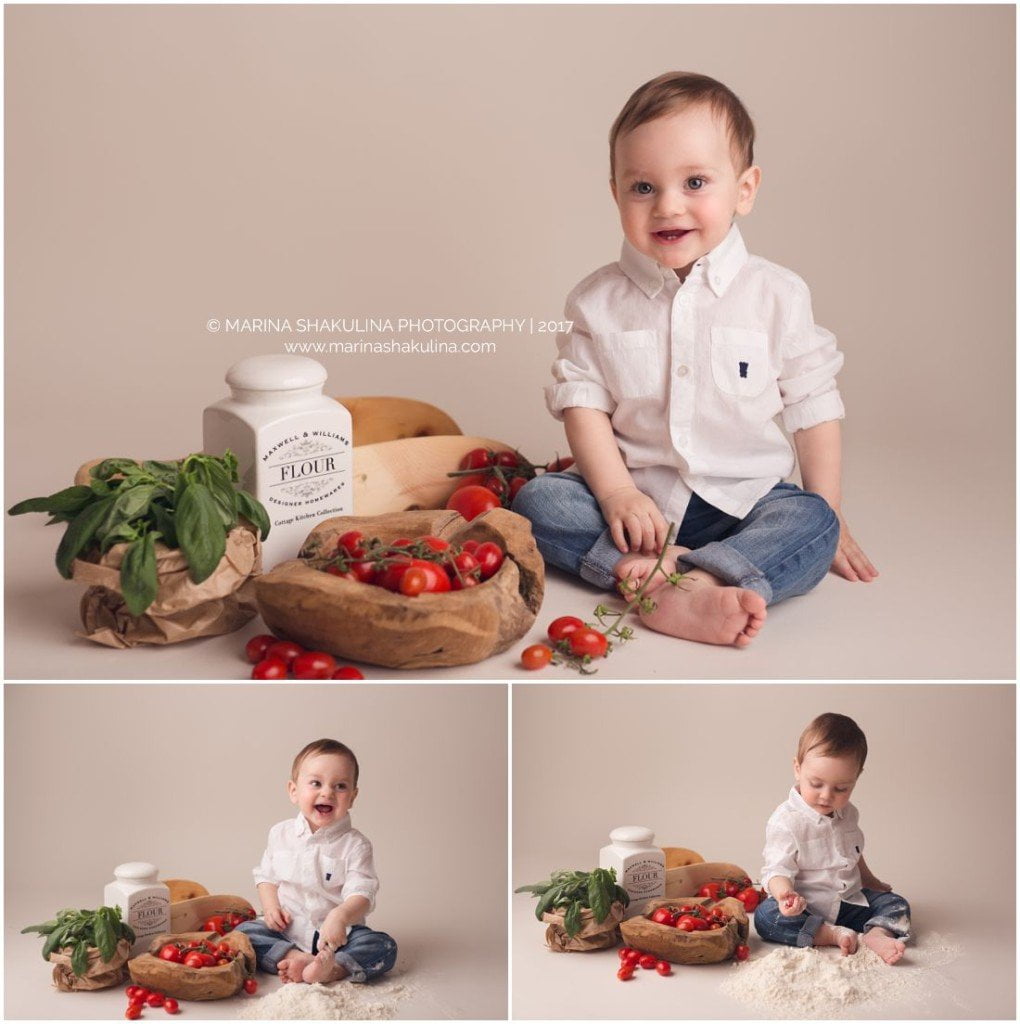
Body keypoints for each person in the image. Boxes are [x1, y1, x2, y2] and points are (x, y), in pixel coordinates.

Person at [512, 71, 877, 648]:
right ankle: (658, 577)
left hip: (743, 502)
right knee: (538, 501)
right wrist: (616, 495)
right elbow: (582, 402)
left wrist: (827, 514)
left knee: (811, 522)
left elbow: (812, 405)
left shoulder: (776, 294)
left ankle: (699, 577)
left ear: (745, 189)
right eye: (643, 188)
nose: (668, 206)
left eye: (696, 181)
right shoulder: (596, 300)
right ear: (615, 193)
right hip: (636, 507)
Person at [236, 738, 397, 984]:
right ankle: (293, 957)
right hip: (287, 931)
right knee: (244, 934)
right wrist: (270, 908)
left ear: (353, 797)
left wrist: (340, 917)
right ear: (293, 791)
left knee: (383, 945)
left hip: (337, 938)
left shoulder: (356, 845)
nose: (327, 792)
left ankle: (333, 968)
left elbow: (363, 893)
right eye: (316, 783)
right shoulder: (280, 834)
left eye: (340, 786)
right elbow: (266, 876)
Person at [754, 713, 909, 963]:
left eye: (841, 789)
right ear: (797, 769)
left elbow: (854, 854)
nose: (826, 796)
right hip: (804, 907)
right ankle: (828, 934)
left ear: (856, 779)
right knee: (765, 917)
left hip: (847, 901)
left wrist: (871, 881)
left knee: (896, 904)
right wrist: (785, 896)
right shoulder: (785, 821)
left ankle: (877, 933)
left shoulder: (849, 814)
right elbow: (776, 869)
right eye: (816, 784)